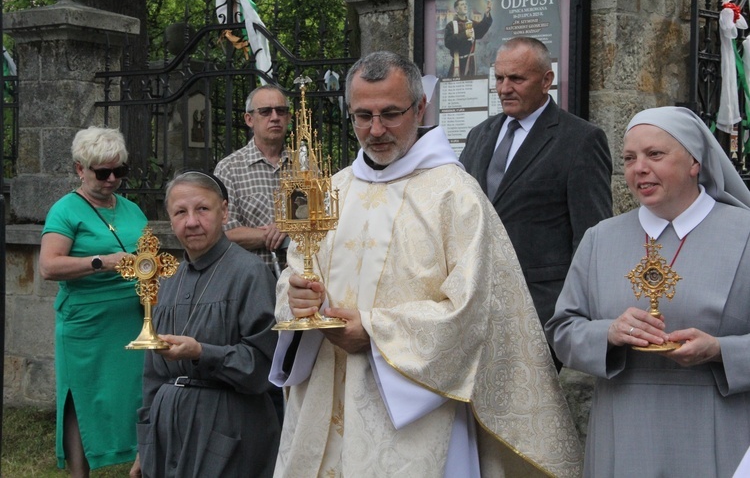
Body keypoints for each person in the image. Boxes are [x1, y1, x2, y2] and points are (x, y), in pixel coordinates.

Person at [270, 51, 582, 477]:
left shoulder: (455, 194)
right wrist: (297, 298)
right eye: (363, 116)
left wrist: (376, 334)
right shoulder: (332, 189)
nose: (375, 130)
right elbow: (295, 271)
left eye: (390, 114)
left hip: (414, 414)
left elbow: (472, 309)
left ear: (420, 108)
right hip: (323, 396)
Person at [545, 106, 750, 477]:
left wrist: (722, 350)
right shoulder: (600, 239)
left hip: (718, 430)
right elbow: (562, 330)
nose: (639, 168)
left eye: (655, 154)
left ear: (694, 162)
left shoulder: (746, 233)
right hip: (624, 430)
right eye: (629, 158)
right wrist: (607, 333)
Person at [460, 36, 613, 371]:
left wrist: (575, 315)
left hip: (539, 313)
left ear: (547, 81)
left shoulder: (580, 140)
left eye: (517, 79)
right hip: (475, 307)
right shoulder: (480, 135)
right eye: (499, 78)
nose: (504, 88)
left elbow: (591, 235)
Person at [130, 171, 280, 478]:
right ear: (170, 219)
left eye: (202, 209)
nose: (192, 222)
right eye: (180, 212)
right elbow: (153, 375)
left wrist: (202, 353)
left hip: (230, 426)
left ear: (223, 211)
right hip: (168, 429)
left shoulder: (250, 274)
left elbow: (264, 368)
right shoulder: (168, 281)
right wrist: (145, 446)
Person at [39, 127, 147, 477]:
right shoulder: (65, 210)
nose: (112, 179)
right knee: (82, 399)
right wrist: (101, 262)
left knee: (132, 395)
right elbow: (48, 266)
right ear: (79, 169)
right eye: (103, 173)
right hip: (85, 323)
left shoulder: (133, 210)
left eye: (120, 171)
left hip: (131, 319)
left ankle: (138, 464)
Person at [214, 85, 291, 275]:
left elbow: (325, 223)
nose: (274, 117)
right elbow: (223, 232)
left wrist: (288, 229)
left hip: (300, 284)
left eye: (281, 111)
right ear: (249, 119)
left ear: (288, 118)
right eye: (265, 112)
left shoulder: (307, 167)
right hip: (249, 282)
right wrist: (277, 234)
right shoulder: (229, 169)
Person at [444, 0, 492, 77]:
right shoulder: (451, 26)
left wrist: (486, 14)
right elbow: (448, 42)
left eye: (466, 4)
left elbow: (481, 30)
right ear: (456, 9)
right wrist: (465, 35)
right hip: (457, 62)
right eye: (462, 4)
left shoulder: (472, 23)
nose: (465, 6)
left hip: (471, 62)